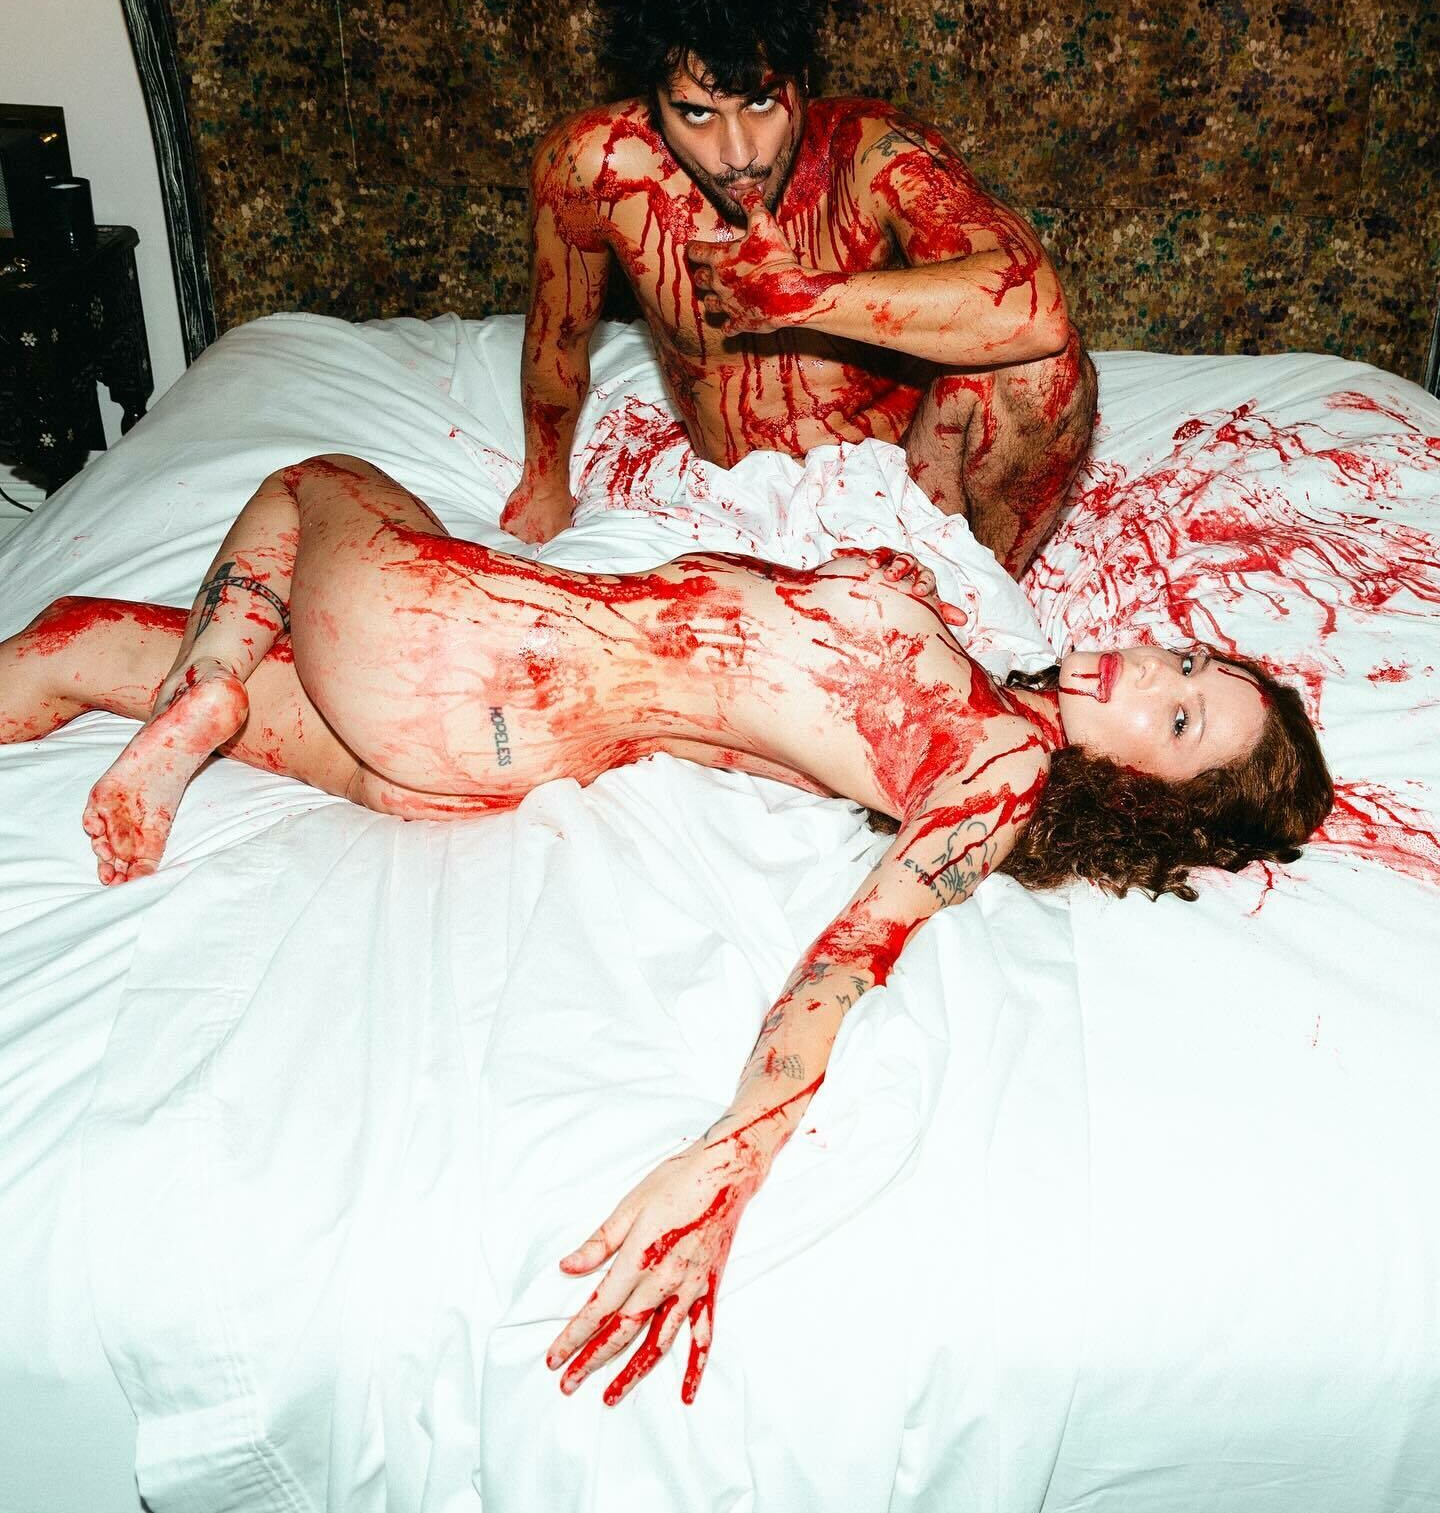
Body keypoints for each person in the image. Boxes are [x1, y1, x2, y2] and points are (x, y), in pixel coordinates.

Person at [0, 457, 1331, 1405]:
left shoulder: (999, 774)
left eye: (1178, 722)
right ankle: (184, 692)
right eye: (1192, 668)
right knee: (76, 643)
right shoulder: (988, 716)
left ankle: (206, 697)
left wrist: (724, 1166)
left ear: (1142, 799)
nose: (1156, 675)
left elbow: (847, 964)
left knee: (310, 484)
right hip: (460, 763)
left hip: (450, 645)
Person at [499, 0, 1097, 577]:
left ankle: (975, 592)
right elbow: (558, 338)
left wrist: (797, 298)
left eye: (761, 102)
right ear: (654, 99)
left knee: (1044, 371)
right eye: (696, 113)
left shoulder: (872, 154)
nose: (738, 155)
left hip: (910, 499)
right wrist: (544, 486)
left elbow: (1037, 314)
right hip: (737, 514)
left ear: (802, 79)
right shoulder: (596, 167)